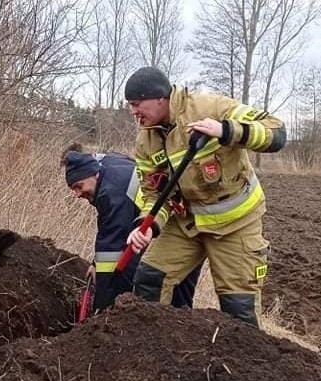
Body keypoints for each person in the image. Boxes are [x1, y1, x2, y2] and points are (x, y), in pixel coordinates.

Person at [123, 67, 286, 327]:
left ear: (160, 98)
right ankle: (152, 355)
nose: (133, 112)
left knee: (238, 309)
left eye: (136, 104)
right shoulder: (145, 142)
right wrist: (149, 226)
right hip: (186, 224)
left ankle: (243, 366)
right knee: (149, 280)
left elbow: (277, 133)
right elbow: (155, 194)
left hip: (236, 226)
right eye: (130, 106)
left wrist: (226, 131)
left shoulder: (210, 106)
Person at [62, 145, 199, 312]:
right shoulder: (105, 165)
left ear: (94, 174)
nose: (77, 194)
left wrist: (102, 307)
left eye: (79, 186)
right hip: (183, 223)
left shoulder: (111, 193)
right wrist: (96, 264)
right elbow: (111, 235)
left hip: (176, 226)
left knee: (150, 281)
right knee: (179, 293)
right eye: (73, 189)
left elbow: (112, 247)